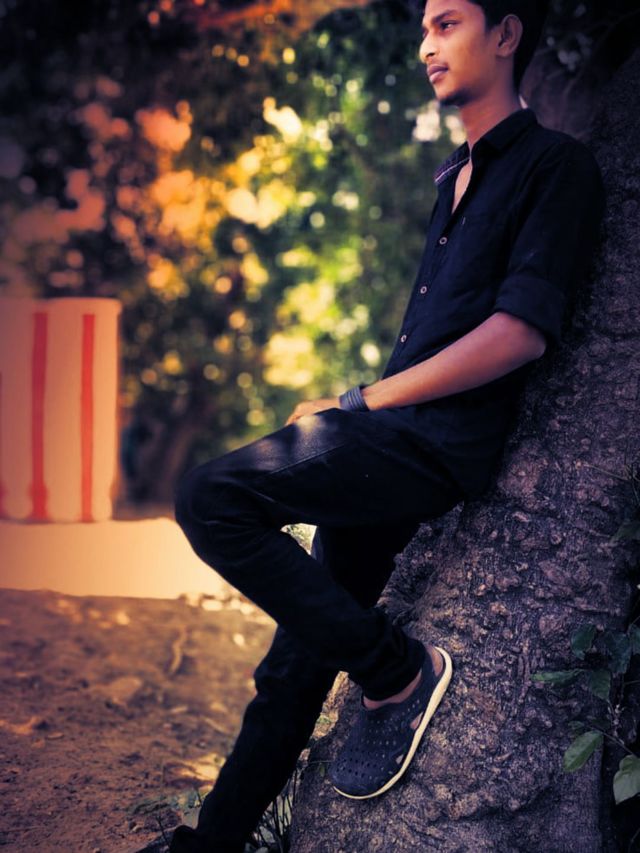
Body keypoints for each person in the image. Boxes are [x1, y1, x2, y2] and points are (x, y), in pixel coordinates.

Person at [162, 0, 606, 850]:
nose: (426, 44)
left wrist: (360, 401)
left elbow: (518, 333)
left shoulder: (556, 166)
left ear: (506, 34)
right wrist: (361, 406)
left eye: (448, 23)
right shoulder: (455, 176)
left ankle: (394, 670)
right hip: (393, 442)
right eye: (425, 28)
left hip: (434, 446)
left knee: (210, 496)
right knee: (292, 667)